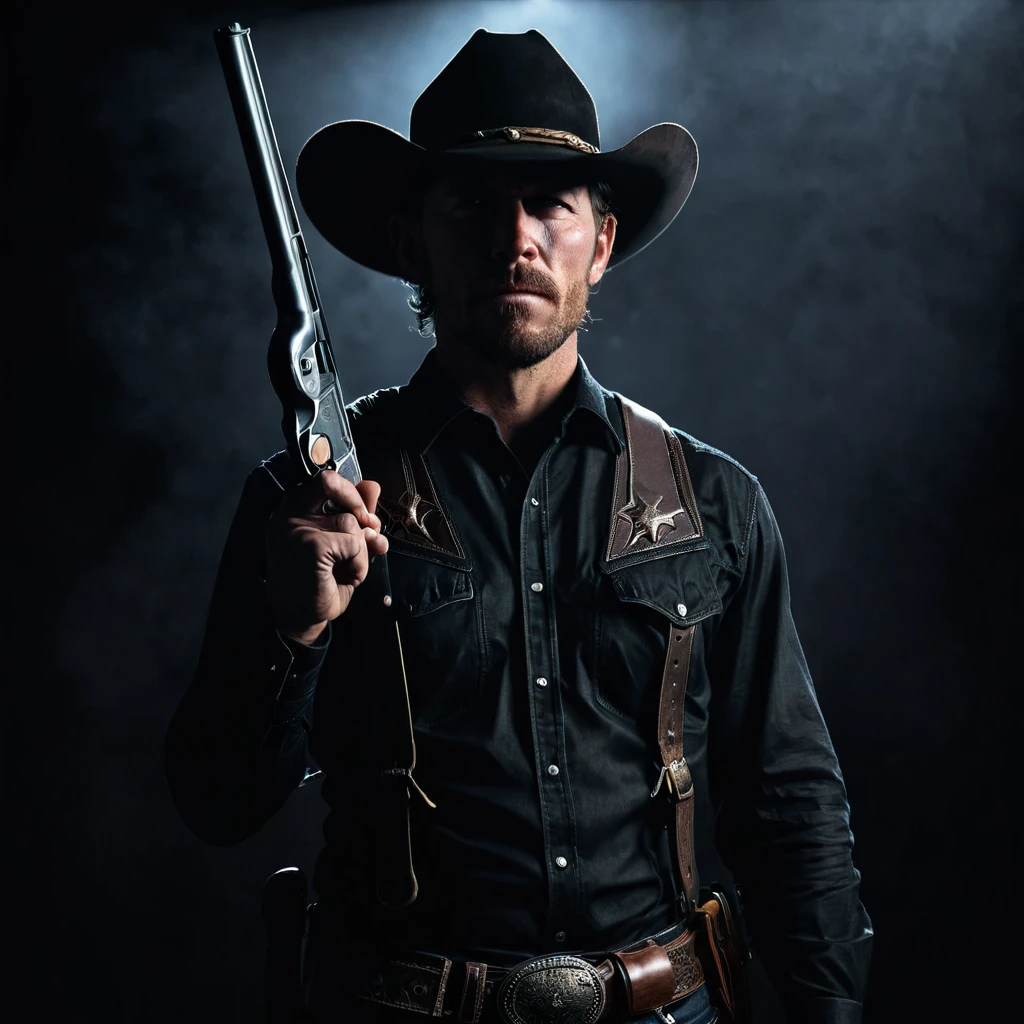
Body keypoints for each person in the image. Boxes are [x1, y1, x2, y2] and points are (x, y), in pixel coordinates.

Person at [166, 28, 872, 1024]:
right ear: (414, 240)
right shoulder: (309, 499)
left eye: (549, 201)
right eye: (472, 202)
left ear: (603, 239)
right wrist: (293, 630)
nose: (516, 237)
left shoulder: (714, 500)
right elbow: (216, 800)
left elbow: (791, 804)